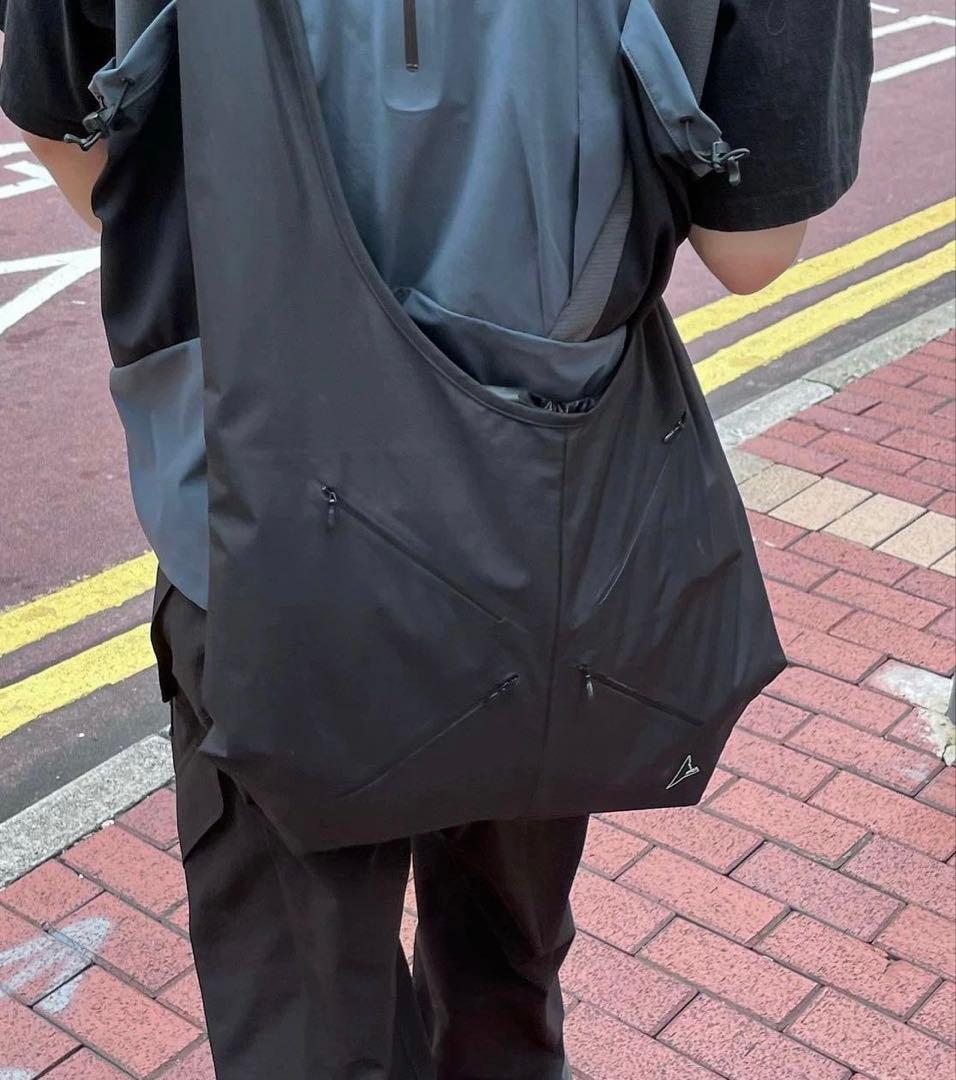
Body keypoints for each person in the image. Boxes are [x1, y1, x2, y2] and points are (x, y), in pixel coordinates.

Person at [0, 2, 873, 1077]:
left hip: (256, 521)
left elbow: (62, 120)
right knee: (504, 972)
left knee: (303, 1015)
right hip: (541, 518)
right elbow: (750, 248)